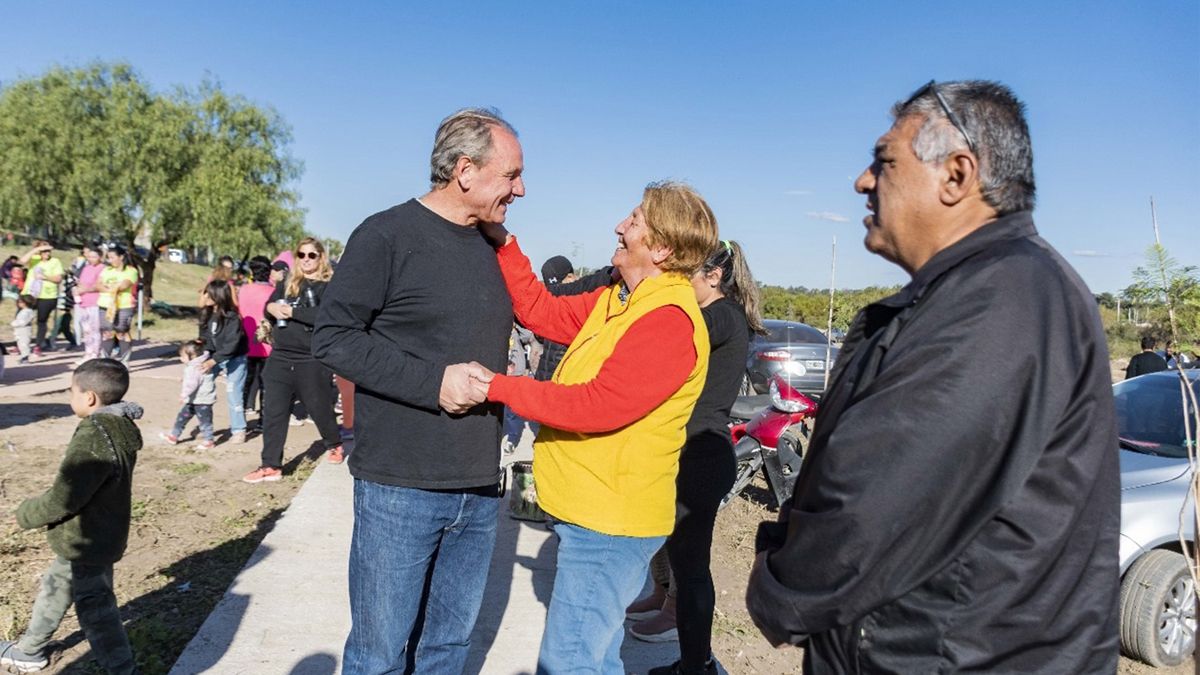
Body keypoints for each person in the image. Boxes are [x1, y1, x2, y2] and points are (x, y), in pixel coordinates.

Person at [745, 80, 1119, 673]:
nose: (863, 181)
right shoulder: (978, 291)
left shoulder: (1002, 300)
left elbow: (875, 502)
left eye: (884, 161)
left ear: (956, 176)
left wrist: (781, 586)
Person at [466, 180, 718, 673]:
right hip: (594, 512)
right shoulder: (620, 300)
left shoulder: (667, 320)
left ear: (662, 249)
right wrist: (505, 242)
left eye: (634, 221)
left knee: (570, 661)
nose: (619, 227)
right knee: (593, 657)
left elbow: (594, 406)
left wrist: (498, 386)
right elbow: (541, 312)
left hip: (611, 523)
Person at [312, 107, 521, 674]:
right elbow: (333, 338)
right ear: (465, 170)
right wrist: (434, 383)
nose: (521, 190)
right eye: (511, 175)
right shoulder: (386, 235)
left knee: (447, 651)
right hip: (400, 489)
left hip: (478, 488)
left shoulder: (494, 247)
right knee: (379, 656)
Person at [631, 241, 765, 675]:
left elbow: (671, 332)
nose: (680, 284)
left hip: (702, 458)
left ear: (714, 276)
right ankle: (694, 662)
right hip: (696, 454)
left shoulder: (721, 316)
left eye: (686, 275)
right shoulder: (719, 315)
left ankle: (696, 665)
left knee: (692, 571)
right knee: (687, 565)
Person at [1, 359, 141, 674]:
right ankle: (30, 649)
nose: (70, 397)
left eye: (71, 391)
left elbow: (65, 497)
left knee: (96, 609)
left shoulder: (96, 435)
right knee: (56, 585)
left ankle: (122, 668)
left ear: (89, 397)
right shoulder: (118, 426)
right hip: (95, 533)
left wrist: (26, 514)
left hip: (87, 539)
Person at [242, 238, 344, 483]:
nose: (306, 259)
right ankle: (270, 465)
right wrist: (271, 309)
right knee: (273, 412)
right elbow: (269, 305)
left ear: (321, 257)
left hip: (311, 358)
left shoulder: (330, 285)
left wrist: (292, 312)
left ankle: (334, 443)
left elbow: (328, 315)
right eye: (302, 255)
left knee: (319, 407)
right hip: (280, 356)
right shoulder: (288, 282)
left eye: (312, 255)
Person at [198, 279, 249, 444]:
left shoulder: (232, 318)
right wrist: (201, 355)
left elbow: (231, 345)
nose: (205, 296)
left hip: (235, 359)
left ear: (218, 296)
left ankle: (239, 430)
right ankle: (205, 429)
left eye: (208, 293)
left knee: (233, 393)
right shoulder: (207, 314)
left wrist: (213, 361)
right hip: (215, 357)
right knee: (200, 387)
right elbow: (205, 338)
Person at [238, 256, 276, 419]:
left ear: (252, 271)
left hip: (245, 343)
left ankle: (241, 417)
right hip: (268, 344)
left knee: (245, 382)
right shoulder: (274, 292)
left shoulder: (243, 290)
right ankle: (263, 420)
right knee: (266, 384)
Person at [161, 340, 217, 450]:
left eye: (183, 356)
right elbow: (196, 379)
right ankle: (174, 436)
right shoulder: (200, 364)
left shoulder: (195, 367)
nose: (181, 358)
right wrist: (184, 379)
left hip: (202, 400)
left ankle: (209, 441)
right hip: (194, 399)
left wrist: (183, 395)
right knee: (182, 417)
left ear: (193, 356)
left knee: (205, 421)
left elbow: (192, 384)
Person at [19, 241, 64, 356]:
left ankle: (38, 345)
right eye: (44, 251)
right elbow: (21, 261)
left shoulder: (55, 262)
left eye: (48, 251)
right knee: (24, 319)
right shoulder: (34, 259)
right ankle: (22, 344)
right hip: (30, 294)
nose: (47, 253)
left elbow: (58, 278)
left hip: (47, 296)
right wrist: (36, 250)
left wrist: (45, 277)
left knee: (41, 321)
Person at [97, 245, 139, 364]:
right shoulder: (106, 270)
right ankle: (105, 360)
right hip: (105, 305)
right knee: (107, 332)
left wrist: (109, 286)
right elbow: (98, 284)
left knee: (121, 332)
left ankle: (124, 361)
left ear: (121, 257)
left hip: (124, 305)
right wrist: (111, 287)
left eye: (112, 257)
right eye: (108, 258)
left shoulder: (131, 271)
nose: (110, 260)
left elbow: (124, 285)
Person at [74, 244, 107, 363]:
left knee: (95, 329)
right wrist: (78, 289)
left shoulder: (103, 268)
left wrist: (85, 289)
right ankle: (88, 352)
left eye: (94, 257)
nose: (91, 259)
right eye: (89, 256)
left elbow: (99, 285)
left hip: (95, 301)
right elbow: (81, 282)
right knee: (86, 329)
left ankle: (95, 352)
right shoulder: (86, 268)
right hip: (83, 301)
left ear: (100, 257)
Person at [12, 294, 36, 363]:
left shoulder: (27, 312)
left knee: (24, 344)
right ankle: (23, 357)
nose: (19, 304)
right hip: (20, 330)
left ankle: (25, 358)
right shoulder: (23, 311)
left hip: (25, 330)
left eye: (20, 302)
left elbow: (23, 322)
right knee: (20, 344)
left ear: (26, 303)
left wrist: (14, 323)